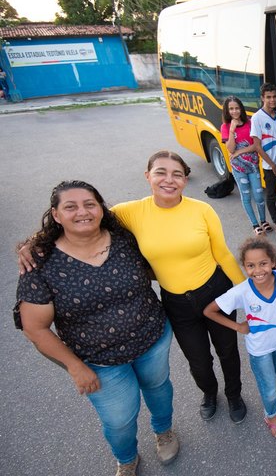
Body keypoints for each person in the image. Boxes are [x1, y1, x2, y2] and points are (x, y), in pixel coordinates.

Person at [15, 180, 178, 476]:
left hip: (152, 338)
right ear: (56, 215)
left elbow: (162, 242)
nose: (83, 212)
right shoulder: (40, 260)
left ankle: (164, 431)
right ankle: (127, 458)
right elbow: (34, 327)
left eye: (90, 204)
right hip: (98, 360)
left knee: (158, 388)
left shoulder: (125, 237)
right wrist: (75, 367)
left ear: (101, 208)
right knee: (119, 419)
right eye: (71, 206)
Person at [112, 151, 248, 423]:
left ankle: (234, 394)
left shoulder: (202, 210)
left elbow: (222, 254)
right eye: (161, 172)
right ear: (147, 176)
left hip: (216, 293)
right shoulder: (130, 212)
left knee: (227, 351)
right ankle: (210, 393)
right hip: (176, 303)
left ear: (185, 180)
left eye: (177, 174)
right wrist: (34, 244)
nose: (169, 180)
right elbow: (85, 221)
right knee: (198, 360)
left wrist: (249, 292)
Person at [203, 238, 276, 440]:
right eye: (250, 266)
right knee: (268, 386)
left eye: (263, 263)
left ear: (273, 262)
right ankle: (271, 416)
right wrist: (238, 326)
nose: (258, 270)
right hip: (259, 349)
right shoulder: (242, 291)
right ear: (244, 267)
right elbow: (209, 311)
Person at [221, 95, 270, 236]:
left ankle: (263, 220)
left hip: (253, 166)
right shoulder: (226, 127)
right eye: (231, 109)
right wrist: (232, 130)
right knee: (246, 195)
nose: (234, 111)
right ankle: (255, 224)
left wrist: (239, 152)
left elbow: (256, 145)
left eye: (237, 108)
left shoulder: (250, 123)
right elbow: (230, 149)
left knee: (259, 194)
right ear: (227, 110)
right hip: (238, 168)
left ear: (241, 109)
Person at [250, 82, 276, 238]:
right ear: (262, 98)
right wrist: (273, 165)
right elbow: (257, 146)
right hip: (270, 166)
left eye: (274, 97)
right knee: (272, 196)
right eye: (268, 97)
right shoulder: (257, 118)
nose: (272, 100)